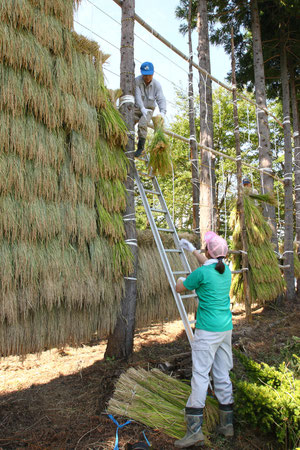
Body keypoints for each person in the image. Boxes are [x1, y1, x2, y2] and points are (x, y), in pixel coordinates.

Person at [174, 232, 234, 448]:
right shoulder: (226, 270)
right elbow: (210, 263)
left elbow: (181, 288)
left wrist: (180, 280)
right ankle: (227, 425)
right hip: (225, 330)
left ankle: (194, 431)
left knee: (200, 375)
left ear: (209, 251)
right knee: (222, 373)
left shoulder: (201, 274)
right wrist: (192, 250)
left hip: (207, 331)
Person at [134, 62, 167, 157]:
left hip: (148, 109)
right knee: (128, 120)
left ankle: (140, 147)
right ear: (141, 73)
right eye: (145, 75)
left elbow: (161, 98)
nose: (147, 77)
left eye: (149, 75)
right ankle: (126, 142)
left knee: (142, 123)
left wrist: (163, 112)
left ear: (153, 74)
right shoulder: (137, 81)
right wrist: (141, 108)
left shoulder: (157, 85)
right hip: (137, 107)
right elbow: (137, 96)